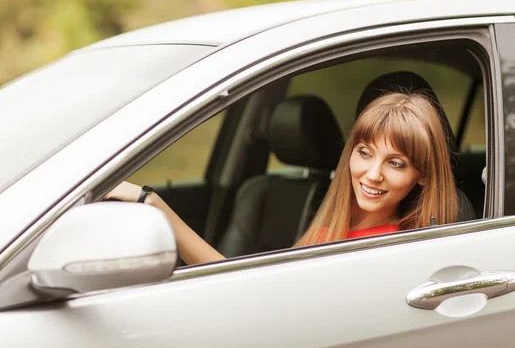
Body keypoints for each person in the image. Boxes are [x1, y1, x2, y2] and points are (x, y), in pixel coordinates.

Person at [105, 92, 458, 265]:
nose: (373, 173)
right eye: (364, 153)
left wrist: (152, 204)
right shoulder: (331, 225)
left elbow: (248, 299)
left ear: (423, 175)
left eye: (395, 163)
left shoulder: (388, 250)